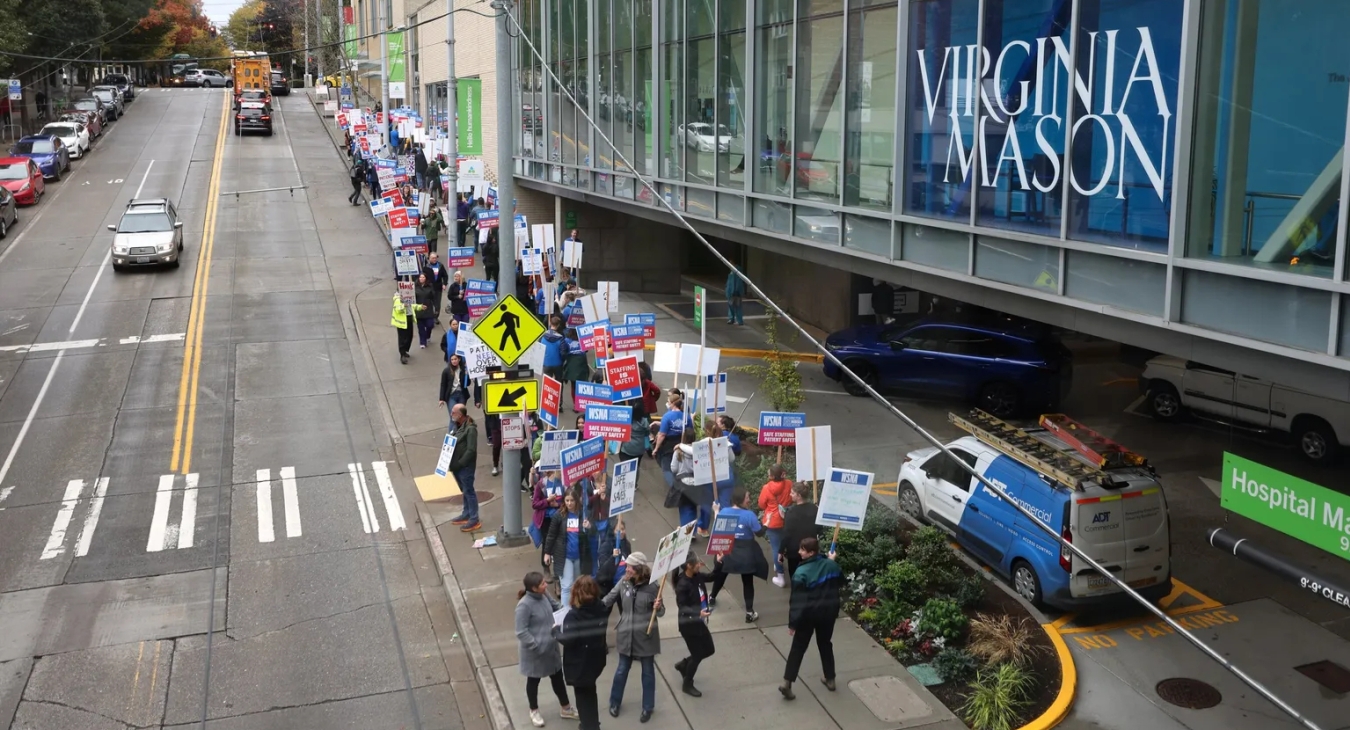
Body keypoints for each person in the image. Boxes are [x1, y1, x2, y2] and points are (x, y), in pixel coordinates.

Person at [780, 536, 844, 700]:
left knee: (798, 648)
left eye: (803, 549)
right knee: (825, 644)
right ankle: (830, 679)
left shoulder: (800, 574)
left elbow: (797, 602)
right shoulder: (831, 566)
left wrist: (793, 624)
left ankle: (787, 683)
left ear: (811, 553)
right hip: (827, 614)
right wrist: (831, 561)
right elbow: (841, 581)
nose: (799, 552)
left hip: (807, 617)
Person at [603, 552, 663, 723]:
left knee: (648, 672)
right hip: (626, 634)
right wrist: (589, 608)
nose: (626, 568)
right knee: (622, 670)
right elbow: (608, 600)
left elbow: (662, 611)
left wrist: (658, 607)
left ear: (638, 569)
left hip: (646, 635)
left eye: (629, 566)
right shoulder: (623, 583)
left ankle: (647, 707)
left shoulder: (653, 587)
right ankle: (614, 702)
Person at [516, 572, 578, 726]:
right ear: (533, 588)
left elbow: (556, 606)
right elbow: (521, 631)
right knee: (533, 681)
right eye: (542, 584)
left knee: (557, 678)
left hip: (551, 648)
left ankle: (566, 707)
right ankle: (534, 710)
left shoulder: (544, 595)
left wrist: (567, 613)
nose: (546, 585)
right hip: (535, 653)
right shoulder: (524, 606)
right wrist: (536, 645)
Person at [556, 575, 610, 730]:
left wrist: (555, 631)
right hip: (595, 660)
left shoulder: (574, 616)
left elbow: (568, 640)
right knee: (591, 693)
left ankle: (589, 725)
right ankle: (592, 722)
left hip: (579, 665)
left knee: (582, 698)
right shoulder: (600, 608)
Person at [709, 487, 769, 623]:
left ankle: (712, 597)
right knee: (747, 582)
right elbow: (759, 533)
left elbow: (719, 527)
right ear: (740, 499)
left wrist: (716, 511)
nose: (749, 500)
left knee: (721, 575)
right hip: (745, 552)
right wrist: (767, 522)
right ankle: (749, 612)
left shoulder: (725, 511)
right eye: (747, 497)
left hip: (727, 550)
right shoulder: (749, 516)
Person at [672, 554, 715, 697]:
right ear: (689, 566)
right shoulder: (683, 584)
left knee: (709, 649)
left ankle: (684, 665)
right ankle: (687, 683)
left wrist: (720, 562)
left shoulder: (696, 576)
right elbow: (682, 607)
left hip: (699, 622)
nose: (699, 564)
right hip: (689, 626)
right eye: (697, 563)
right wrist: (698, 613)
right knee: (697, 655)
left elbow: (712, 576)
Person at [544, 491, 591, 609]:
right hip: (564, 556)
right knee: (566, 587)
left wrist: (589, 527)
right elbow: (551, 535)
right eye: (567, 500)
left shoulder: (583, 514)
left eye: (572, 500)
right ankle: (565, 614)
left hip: (579, 555)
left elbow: (592, 533)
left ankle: (575, 609)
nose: (569, 503)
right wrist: (547, 553)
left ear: (576, 501)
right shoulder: (559, 515)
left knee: (577, 585)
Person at [758, 464, 794, 588]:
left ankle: (780, 576)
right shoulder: (789, 483)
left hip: (772, 521)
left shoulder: (766, 488)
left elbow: (762, 505)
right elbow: (792, 499)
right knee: (786, 545)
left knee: (775, 548)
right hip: (787, 519)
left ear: (773, 476)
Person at [651, 393, 689, 506]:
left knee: (667, 468)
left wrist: (656, 448)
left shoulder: (668, 416)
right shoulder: (685, 416)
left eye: (668, 401)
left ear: (672, 403)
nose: (667, 403)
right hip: (682, 444)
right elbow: (690, 432)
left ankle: (678, 490)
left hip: (668, 446)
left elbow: (662, 434)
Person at [448, 404, 481, 531]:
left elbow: (471, 450)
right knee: (465, 491)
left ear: (460, 415)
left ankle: (474, 518)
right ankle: (466, 513)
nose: (451, 414)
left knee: (469, 491)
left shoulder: (470, 429)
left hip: (465, 467)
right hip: (457, 467)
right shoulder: (458, 426)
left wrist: (460, 463)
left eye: (453, 412)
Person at [779, 482, 820, 580]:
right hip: (811, 549)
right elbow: (819, 528)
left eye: (792, 493)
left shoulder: (791, 512)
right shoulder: (815, 509)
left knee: (796, 578)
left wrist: (780, 551)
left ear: (799, 496)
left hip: (795, 551)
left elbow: (786, 533)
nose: (790, 495)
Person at [531, 469, 566, 562]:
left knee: (559, 542)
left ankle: (557, 569)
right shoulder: (542, 484)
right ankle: (546, 568)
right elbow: (535, 504)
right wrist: (547, 501)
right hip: (546, 519)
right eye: (560, 471)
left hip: (559, 517)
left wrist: (557, 505)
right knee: (547, 543)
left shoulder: (564, 484)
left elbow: (568, 501)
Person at [562, 329, 590, 411]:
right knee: (582, 386)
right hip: (582, 364)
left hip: (572, 365)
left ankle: (576, 404)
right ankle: (582, 403)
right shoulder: (583, 339)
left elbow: (564, 351)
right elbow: (586, 350)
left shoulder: (566, 340)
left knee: (573, 386)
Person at [391, 290, 419, 364]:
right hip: (402, 323)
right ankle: (402, 354)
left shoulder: (410, 298)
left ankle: (405, 350)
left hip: (409, 320)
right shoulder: (397, 299)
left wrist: (420, 307)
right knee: (402, 338)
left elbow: (413, 306)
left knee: (409, 336)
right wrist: (404, 306)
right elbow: (397, 309)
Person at [439, 353, 470, 418]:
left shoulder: (464, 369)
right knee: (453, 417)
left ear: (459, 359)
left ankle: (461, 428)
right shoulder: (446, 371)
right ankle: (453, 428)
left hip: (462, 395)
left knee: (461, 417)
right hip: (451, 395)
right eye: (452, 360)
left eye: (455, 359)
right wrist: (441, 399)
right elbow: (443, 385)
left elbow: (467, 384)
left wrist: (467, 375)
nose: (454, 361)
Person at [423, 252, 449, 319]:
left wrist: (444, 284)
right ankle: (430, 315)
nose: (434, 259)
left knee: (437, 304)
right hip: (429, 288)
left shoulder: (440, 266)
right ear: (429, 259)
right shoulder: (426, 267)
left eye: (435, 258)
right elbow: (423, 277)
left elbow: (445, 275)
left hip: (438, 288)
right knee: (430, 303)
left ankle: (436, 317)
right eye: (433, 258)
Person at [414, 274, 438, 348]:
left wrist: (436, 307)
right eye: (420, 277)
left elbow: (434, 297)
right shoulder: (415, 287)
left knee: (430, 325)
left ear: (426, 278)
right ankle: (422, 342)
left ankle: (428, 336)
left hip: (428, 308)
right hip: (419, 309)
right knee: (421, 328)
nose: (421, 278)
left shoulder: (430, 286)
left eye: (423, 277)